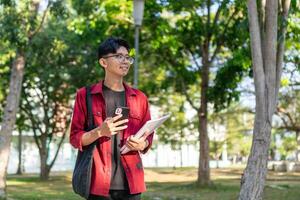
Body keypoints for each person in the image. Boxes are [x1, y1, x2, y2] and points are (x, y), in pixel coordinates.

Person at [70, 37, 153, 200]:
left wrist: (141, 144)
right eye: (119, 56)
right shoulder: (85, 95)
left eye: (128, 57)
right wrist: (99, 131)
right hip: (98, 186)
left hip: (132, 185)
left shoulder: (140, 98)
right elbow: (75, 138)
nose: (126, 61)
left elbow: (148, 136)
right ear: (103, 62)